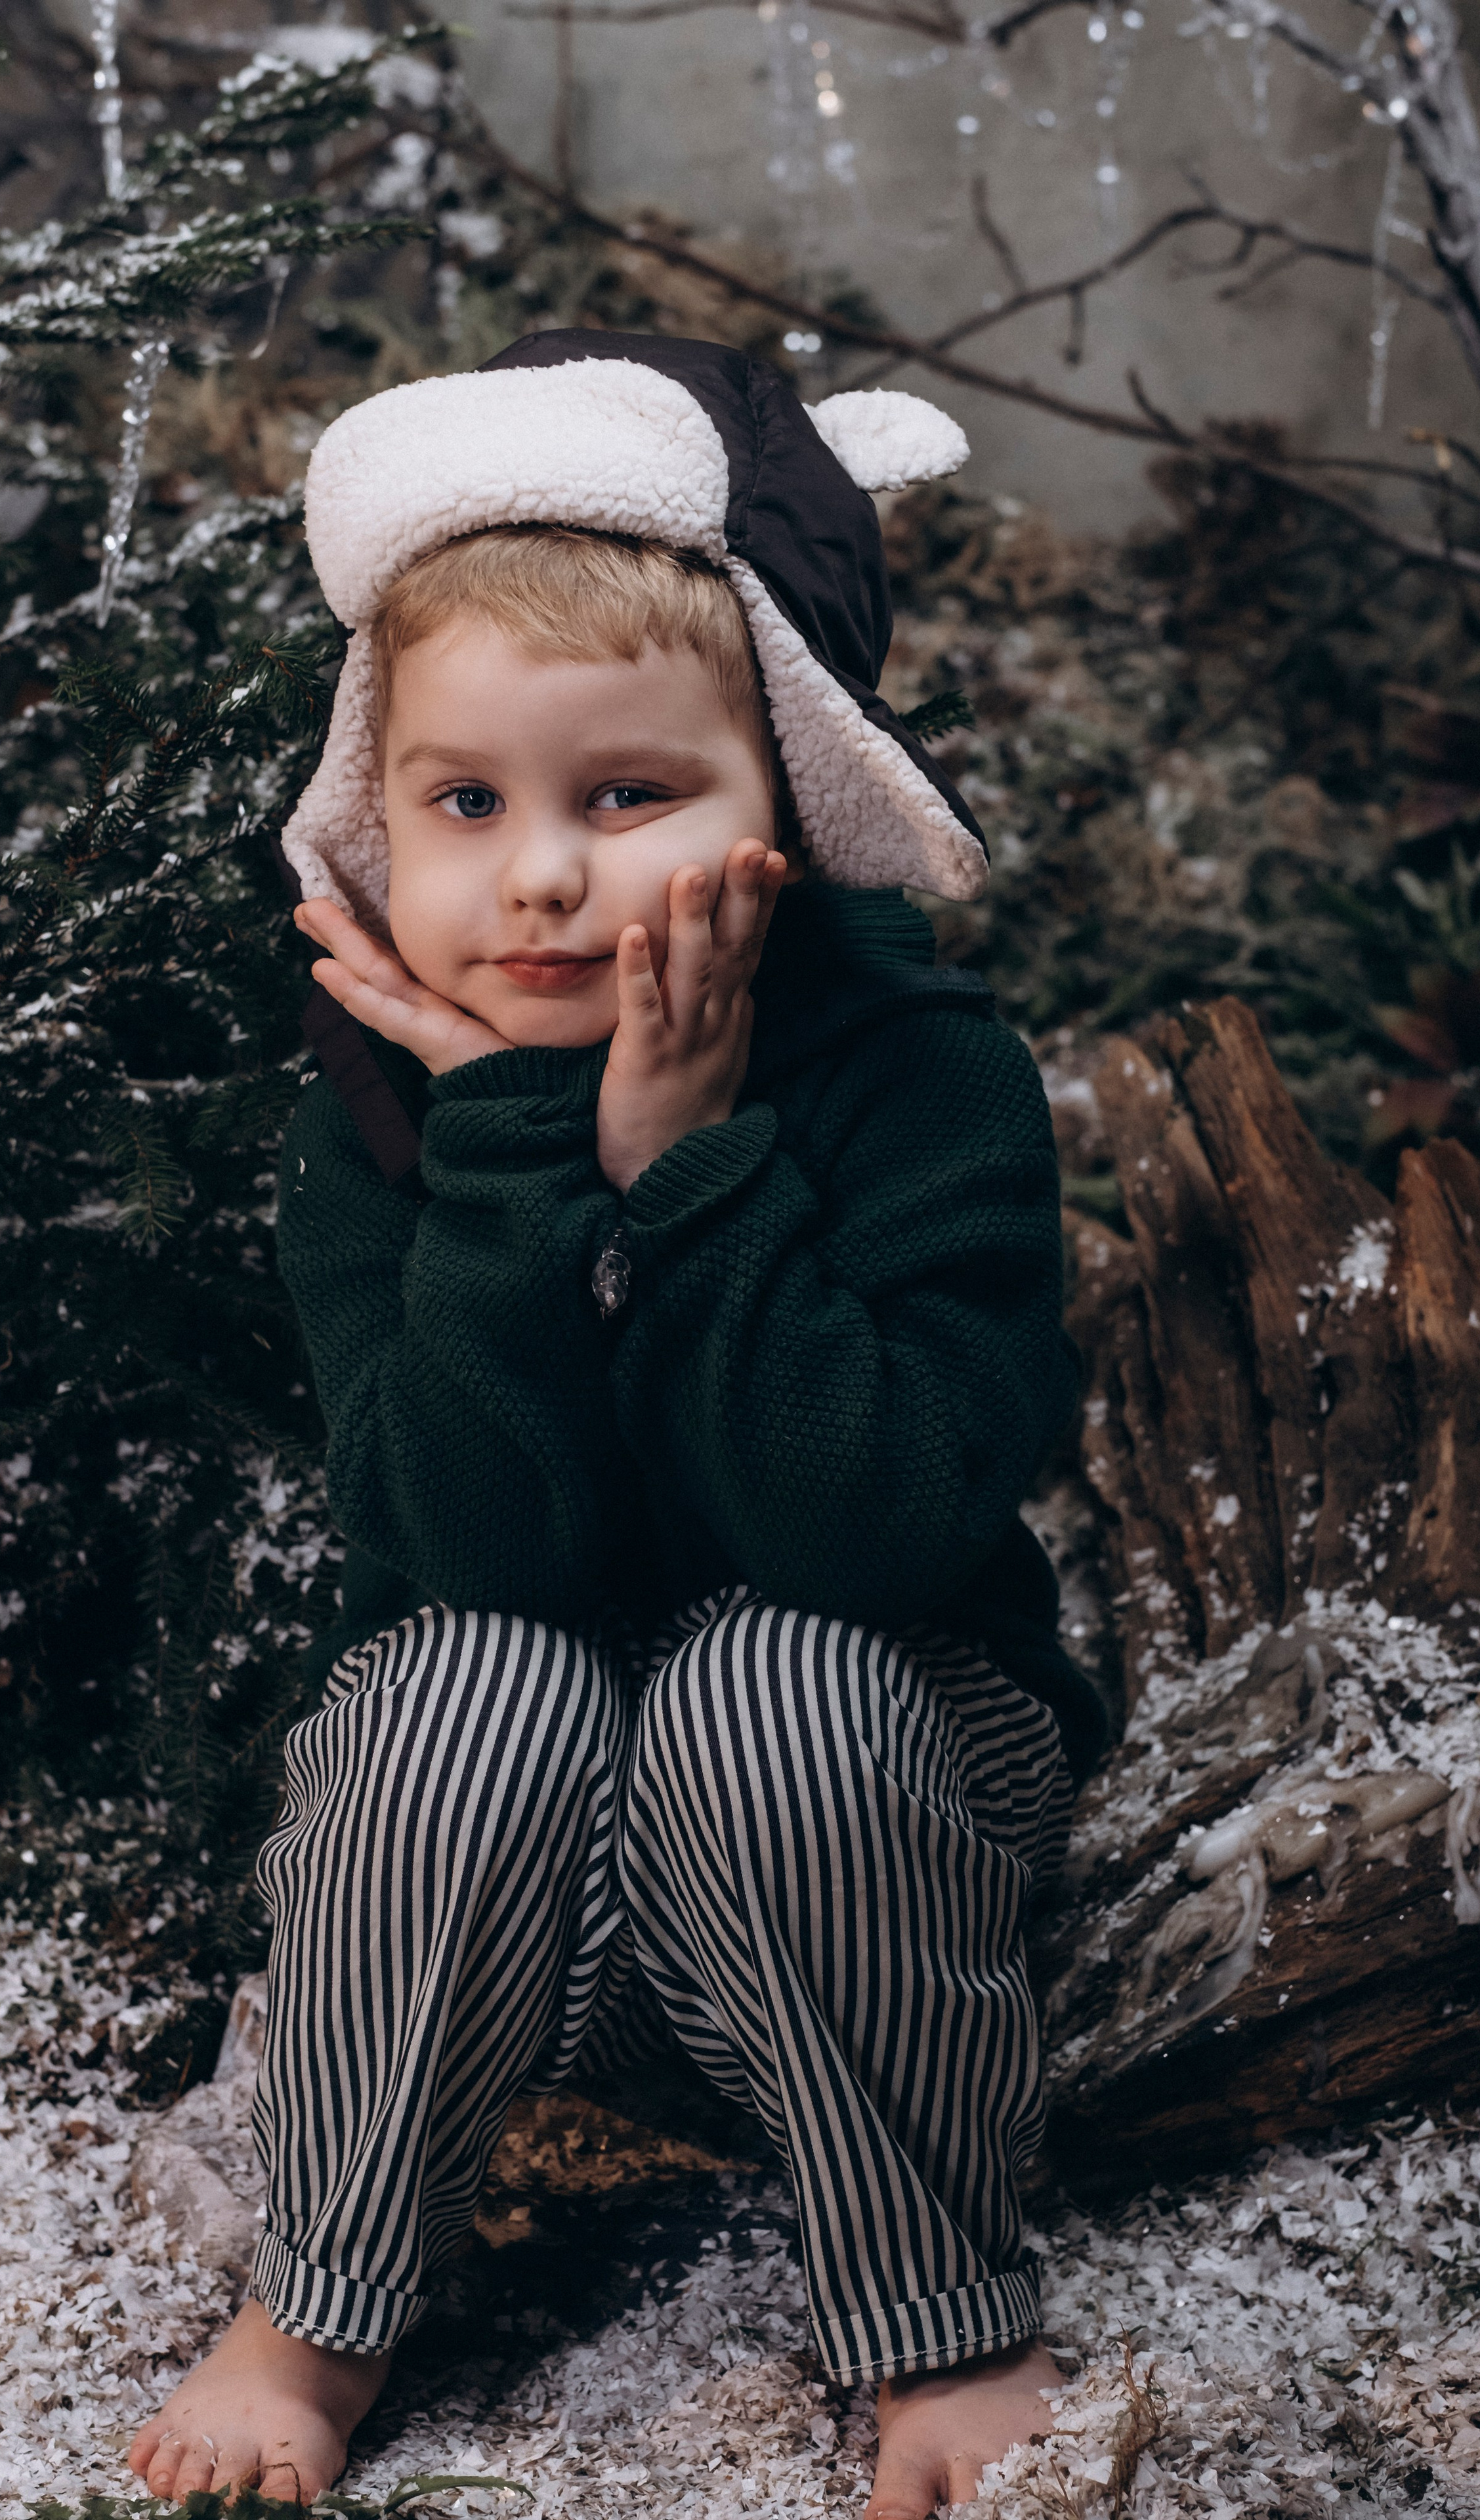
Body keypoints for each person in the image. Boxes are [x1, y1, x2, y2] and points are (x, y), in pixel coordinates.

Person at [127, 332, 1110, 2517]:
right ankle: (322, 2310)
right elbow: (467, 1545)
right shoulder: (374, 1130)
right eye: (467, 805)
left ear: (787, 800)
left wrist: (689, 1169)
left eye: (628, 795)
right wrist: (514, 1160)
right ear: (378, 819)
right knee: (457, 1678)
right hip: (518, 1899)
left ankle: (940, 2318)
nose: (544, 878)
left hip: (870, 1828)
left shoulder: (917, 1077)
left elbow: (876, 1526)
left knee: (772, 1678)